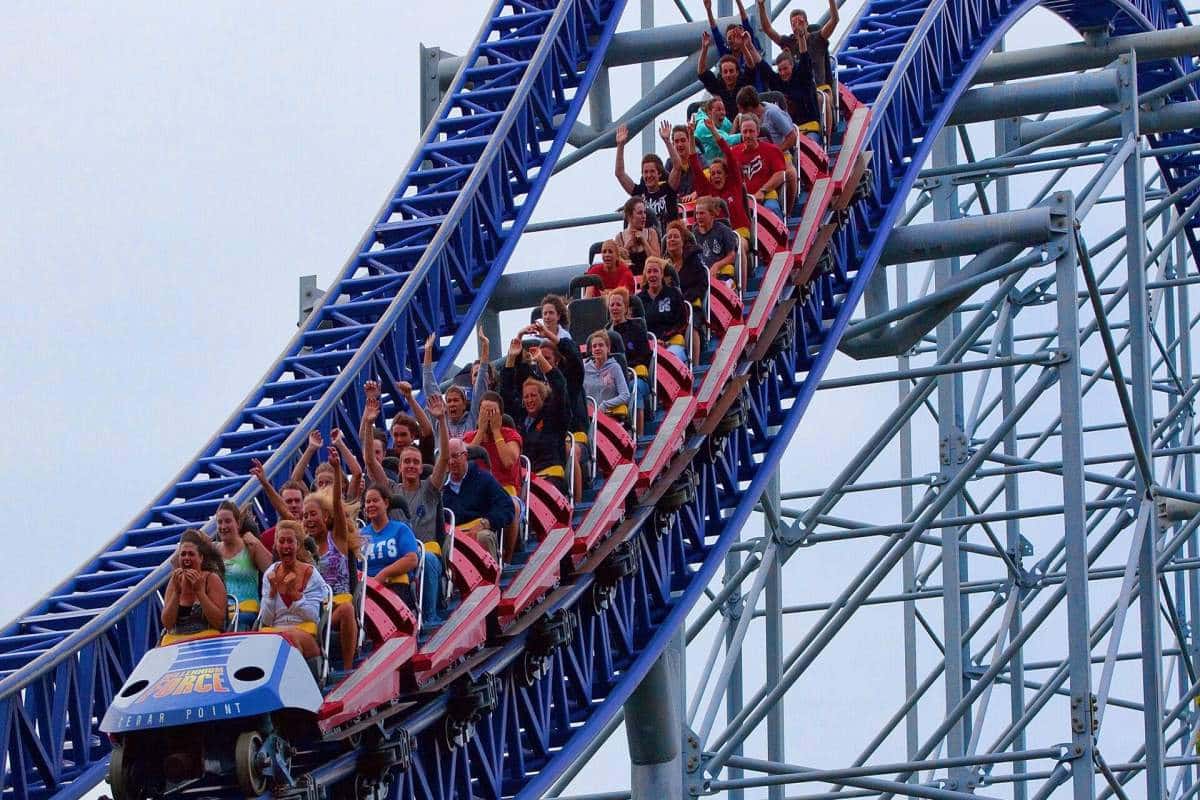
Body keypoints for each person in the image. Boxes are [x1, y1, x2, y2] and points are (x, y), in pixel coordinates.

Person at [360, 381, 450, 625]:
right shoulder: (391, 491)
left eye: (415, 462)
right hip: (398, 557)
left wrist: (441, 420)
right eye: (406, 462)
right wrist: (368, 423)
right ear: (398, 467)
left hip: (423, 552)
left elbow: (445, 460)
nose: (410, 465)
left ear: (421, 468)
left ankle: (429, 617)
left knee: (429, 559)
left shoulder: (430, 489)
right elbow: (369, 461)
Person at [302, 448, 360, 671]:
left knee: (347, 610)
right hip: (313, 608)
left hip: (337, 605)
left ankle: (346, 668)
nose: (308, 519)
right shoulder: (304, 548)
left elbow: (337, 504)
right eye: (305, 516)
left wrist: (337, 470)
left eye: (313, 514)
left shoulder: (337, 539)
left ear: (325, 517)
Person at [756, 0, 839, 136]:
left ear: (806, 23)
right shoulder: (789, 42)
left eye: (799, 22)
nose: (796, 25)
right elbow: (768, 29)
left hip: (819, 88)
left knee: (821, 98)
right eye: (793, 23)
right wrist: (761, 6)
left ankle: (826, 138)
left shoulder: (818, 38)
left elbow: (835, 20)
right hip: (800, 91)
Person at [464, 391, 523, 556]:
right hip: (477, 493)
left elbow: (508, 461)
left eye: (492, 412)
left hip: (506, 490)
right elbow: (462, 461)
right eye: (484, 412)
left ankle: (509, 555)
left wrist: (496, 432)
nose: (488, 416)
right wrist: (481, 431)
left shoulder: (510, 435)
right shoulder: (470, 437)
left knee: (513, 505)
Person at [258, 521, 328, 659]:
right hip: (277, 634)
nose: (285, 546)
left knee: (290, 639)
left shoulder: (311, 574)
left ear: (298, 545)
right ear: (276, 545)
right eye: (281, 541)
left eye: (290, 541)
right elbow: (266, 620)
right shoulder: (269, 574)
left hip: (306, 634)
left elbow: (313, 616)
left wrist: (295, 595)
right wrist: (272, 593)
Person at [443, 438, 513, 561]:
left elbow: (507, 506)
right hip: (453, 534)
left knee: (484, 537)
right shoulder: (439, 487)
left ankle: (492, 577)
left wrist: (486, 523)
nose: (451, 461)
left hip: (479, 529)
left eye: (455, 456)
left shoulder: (484, 478)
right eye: (447, 458)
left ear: (465, 456)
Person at [688, 118, 753, 245]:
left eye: (719, 173)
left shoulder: (734, 183)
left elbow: (728, 154)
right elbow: (694, 165)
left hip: (739, 233)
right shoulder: (707, 190)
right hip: (716, 238)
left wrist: (713, 130)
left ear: (726, 174)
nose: (716, 176)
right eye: (713, 174)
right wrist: (691, 135)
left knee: (738, 245)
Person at [359, 485, 423, 611]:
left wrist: (383, 575)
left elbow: (412, 559)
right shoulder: (359, 535)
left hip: (395, 586)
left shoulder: (401, 529)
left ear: (386, 503)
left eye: (375, 500)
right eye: (367, 502)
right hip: (366, 590)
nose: (371, 504)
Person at [745, 37, 821, 141]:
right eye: (779, 70)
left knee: (806, 146)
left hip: (809, 129)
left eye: (785, 69)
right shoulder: (777, 82)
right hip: (788, 131)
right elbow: (762, 65)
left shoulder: (803, 77)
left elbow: (805, 59)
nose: (782, 73)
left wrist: (802, 37)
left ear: (792, 65)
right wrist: (750, 45)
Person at [212, 500, 272, 631]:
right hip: (221, 611)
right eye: (220, 522)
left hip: (247, 611)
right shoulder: (214, 550)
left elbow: (273, 572)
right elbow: (177, 562)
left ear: (237, 523)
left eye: (228, 521)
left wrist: (256, 543)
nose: (223, 526)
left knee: (236, 621)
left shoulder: (250, 546)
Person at [161, 530, 227, 645]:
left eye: (191, 554)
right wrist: (176, 593)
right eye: (183, 554)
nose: (187, 558)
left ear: (200, 558)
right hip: (177, 643)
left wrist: (200, 592)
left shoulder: (212, 579)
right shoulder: (175, 581)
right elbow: (167, 623)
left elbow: (219, 623)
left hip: (207, 643)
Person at [421, 328, 490, 439]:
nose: (452, 404)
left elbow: (480, 385)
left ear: (464, 404)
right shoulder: (439, 420)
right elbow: (429, 387)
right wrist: (428, 351)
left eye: (456, 400)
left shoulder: (472, 419)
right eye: (449, 401)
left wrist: (485, 347)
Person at [614, 124, 680, 230]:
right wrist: (620, 145)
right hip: (644, 240)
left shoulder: (668, 189)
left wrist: (667, 141)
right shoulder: (639, 193)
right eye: (645, 172)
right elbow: (619, 173)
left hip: (665, 240)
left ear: (659, 173)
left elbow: (677, 166)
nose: (649, 175)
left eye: (652, 171)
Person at [607, 288, 652, 433]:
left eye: (618, 305)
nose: (615, 308)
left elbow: (645, 355)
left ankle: (638, 433)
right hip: (613, 379)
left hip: (634, 376)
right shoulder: (604, 334)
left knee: (634, 387)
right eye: (612, 305)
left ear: (626, 308)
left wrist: (627, 369)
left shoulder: (637, 328)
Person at [731, 114, 788, 217]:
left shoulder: (772, 150)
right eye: (745, 131)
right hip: (742, 199)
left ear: (758, 132)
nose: (748, 135)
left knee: (772, 209)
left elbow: (780, 174)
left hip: (766, 195)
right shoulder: (734, 152)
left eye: (751, 131)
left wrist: (762, 191)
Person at [637, 258, 690, 363]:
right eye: (649, 272)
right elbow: (637, 329)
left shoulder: (674, 293)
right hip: (649, 345)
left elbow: (682, 322)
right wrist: (653, 341)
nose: (652, 275)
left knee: (666, 361)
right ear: (645, 276)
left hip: (672, 342)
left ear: (661, 274)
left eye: (656, 271)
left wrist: (664, 339)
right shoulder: (638, 300)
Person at [248, 464, 306, 553]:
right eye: (289, 501)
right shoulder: (267, 537)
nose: (294, 505)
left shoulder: (312, 529)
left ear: (303, 502)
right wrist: (264, 482)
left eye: (297, 501)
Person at [290, 429, 363, 498]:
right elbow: (295, 481)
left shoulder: (348, 502)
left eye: (328, 482)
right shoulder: (313, 505)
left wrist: (340, 444)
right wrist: (310, 449)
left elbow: (357, 474)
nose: (324, 486)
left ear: (342, 485)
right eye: (320, 483)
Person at [697, 31, 754, 118]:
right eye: (725, 72)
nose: (728, 75)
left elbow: (750, 65)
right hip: (724, 126)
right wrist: (704, 48)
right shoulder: (718, 86)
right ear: (722, 74)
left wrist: (742, 46)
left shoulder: (743, 83)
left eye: (731, 71)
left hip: (744, 123)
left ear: (737, 72)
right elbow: (701, 71)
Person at [693, 196, 743, 285]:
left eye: (702, 213)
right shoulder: (694, 234)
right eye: (697, 213)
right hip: (701, 277)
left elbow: (732, 256)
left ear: (712, 214)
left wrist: (717, 266)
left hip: (723, 274)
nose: (698, 217)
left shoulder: (724, 230)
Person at [584, 330, 631, 422]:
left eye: (601, 345)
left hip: (609, 414)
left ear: (608, 348)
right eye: (594, 346)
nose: (597, 348)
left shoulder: (615, 367)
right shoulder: (585, 368)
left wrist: (605, 405)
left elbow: (625, 395)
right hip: (588, 417)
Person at [664, 219, 709, 310]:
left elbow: (701, 285)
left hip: (690, 307)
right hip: (667, 310)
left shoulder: (693, 260)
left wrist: (681, 299)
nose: (672, 239)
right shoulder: (662, 265)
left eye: (676, 236)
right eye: (669, 237)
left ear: (683, 241)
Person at [615, 197, 662, 277]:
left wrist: (644, 242)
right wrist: (627, 246)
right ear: (629, 216)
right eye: (640, 213)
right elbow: (618, 266)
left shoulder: (651, 233)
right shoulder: (619, 237)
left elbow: (658, 262)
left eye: (644, 212)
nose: (644, 216)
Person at [692, 96, 741, 165]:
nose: (722, 113)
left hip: (723, 162)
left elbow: (730, 137)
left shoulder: (724, 120)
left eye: (723, 109)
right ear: (709, 113)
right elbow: (727, 141)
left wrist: (736, 123)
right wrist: (746, 135)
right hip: (706, 166)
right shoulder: (703, 127)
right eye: (718, 110)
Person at [660, 122, 697, 201]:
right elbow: (661, 186)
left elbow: (708, 181)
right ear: (673, 144)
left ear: (689, 141)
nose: (679, 144)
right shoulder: (669, 163)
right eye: (676, 141)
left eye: (683, 140)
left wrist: (696, 193)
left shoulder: (699, 159)